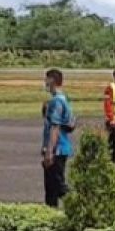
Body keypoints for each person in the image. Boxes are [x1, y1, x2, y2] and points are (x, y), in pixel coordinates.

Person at [41, 68, 74, 207]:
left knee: (57, 186)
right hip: (62, 147)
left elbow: (55, 127)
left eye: (47, 79)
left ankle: (78, 203)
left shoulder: (56, 102)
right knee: (52, 190)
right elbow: (70, 124)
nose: (45, 82)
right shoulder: (64, 99)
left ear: (53, 80)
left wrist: (49, 152)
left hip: (57, 149)